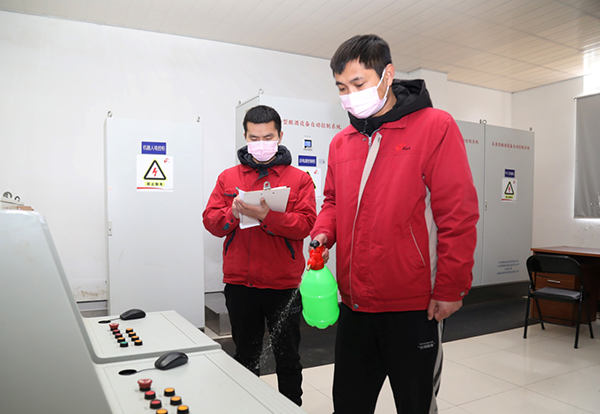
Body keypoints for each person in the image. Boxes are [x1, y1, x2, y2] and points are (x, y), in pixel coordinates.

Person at [311, 35, 479, 413]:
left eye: (358, 83)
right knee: (349, 404)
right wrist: (323, 230)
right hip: (354, 304)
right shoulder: (342, 142)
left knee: (415, 404)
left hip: (413, 306)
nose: (350, 95)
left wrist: (451, 286)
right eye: (341, 87)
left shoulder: (434, 126)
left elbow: (457, 212)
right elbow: (333, 202)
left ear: (387, 75)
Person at [202, 105, 316, 406]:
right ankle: (247, 406)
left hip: (283, 285)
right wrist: (232, 212)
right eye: (254, 138)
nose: (261, 143)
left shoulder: (299, 179)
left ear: (280, 136)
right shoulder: (228, 177)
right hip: (241, 283)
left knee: (288, 356)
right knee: (245, 355)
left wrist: (268, 217)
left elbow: (305, 225)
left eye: (268, 137)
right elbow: (211, 222)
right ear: (245, 137)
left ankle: (290, 407)